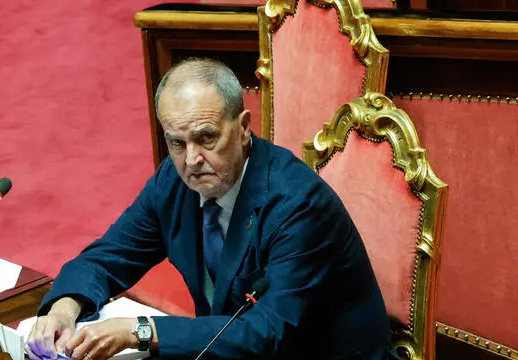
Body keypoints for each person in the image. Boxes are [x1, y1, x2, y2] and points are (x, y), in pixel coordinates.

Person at [25, 58, 396, 360]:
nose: (192, 160)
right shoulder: (174, 181)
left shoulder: (297, 205)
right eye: (176, 142)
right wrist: (64, 308)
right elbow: (108, 258)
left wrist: (141, 332)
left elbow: (269, 331)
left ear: (244, 127)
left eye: (206, 137)